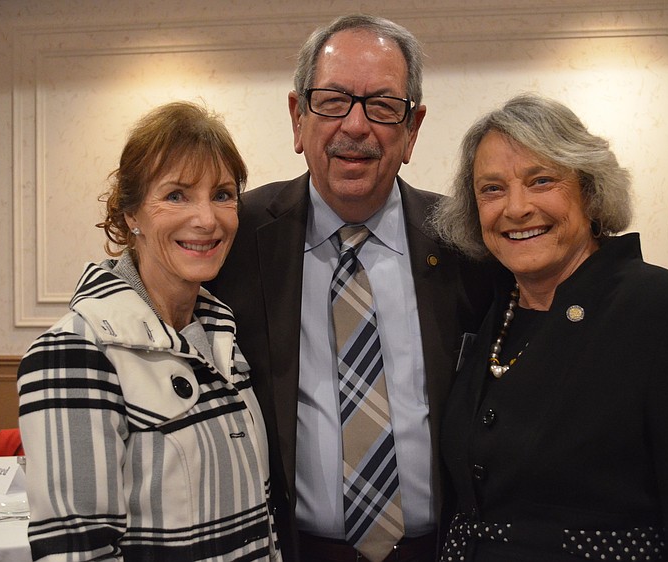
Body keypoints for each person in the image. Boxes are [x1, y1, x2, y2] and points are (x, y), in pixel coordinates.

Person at [431, 93, 668, 561]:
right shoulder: (491, 313)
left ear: (591, 192)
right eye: (491, 189)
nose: (515, 208)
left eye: (541, 181)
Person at [205, 14, 493, 562]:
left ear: (412, 129)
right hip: (289, 550)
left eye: (383, 106)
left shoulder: (467, 242)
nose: (356, 127)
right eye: (333, 100)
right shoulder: (236, 236)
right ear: (297, 117)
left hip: (441, 551)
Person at [17, 101, 281, 561]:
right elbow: (79, 553)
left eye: (222, 194)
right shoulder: (74, 352)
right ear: (131, 213)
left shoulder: (222, 335)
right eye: (177, 195)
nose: (207, 219)